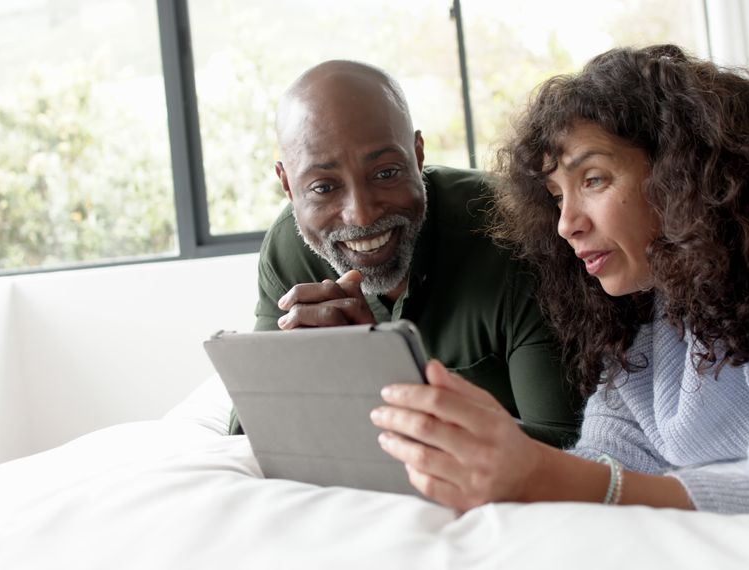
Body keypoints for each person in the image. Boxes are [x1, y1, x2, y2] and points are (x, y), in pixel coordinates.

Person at [369, 45, 749, 515]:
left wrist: (546, 474)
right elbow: (608, 459)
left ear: (684, 173)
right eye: (555, 198)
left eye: (593, 179)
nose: (567, 224)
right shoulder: (655, 307)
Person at [231, 60, 583, 447]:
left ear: (418, 155)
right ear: (286, 183)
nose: (361, 214)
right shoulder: (289, 250)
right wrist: (316, 374)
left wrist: (375, 379)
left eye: (385, 173)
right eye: (323, 187)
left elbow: (568, 450)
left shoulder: (513, 231)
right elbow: (245, 433)